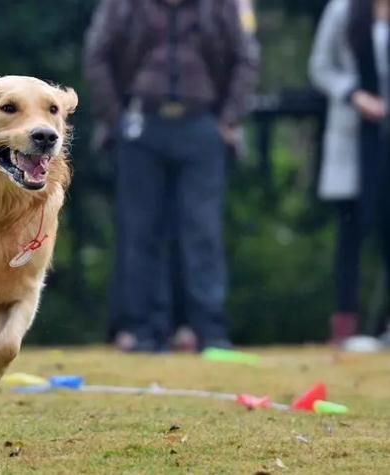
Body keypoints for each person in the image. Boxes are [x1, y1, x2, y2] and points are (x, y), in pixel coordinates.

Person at [84, 0, 259, 352]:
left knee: (203, 230)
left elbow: (246, 58)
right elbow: (97, 56)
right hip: (142, 122)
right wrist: (116, 119)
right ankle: (146, 330)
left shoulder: (221, 6)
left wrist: (228, 120)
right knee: (140, 231)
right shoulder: (122, 6)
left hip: (202, 122)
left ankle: (210, 330)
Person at [310, 0, 390, 345]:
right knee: (350, 235)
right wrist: (354, 94)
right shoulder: (343, 10)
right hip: (354, 136)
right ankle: (344, 326)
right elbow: (320, 66)